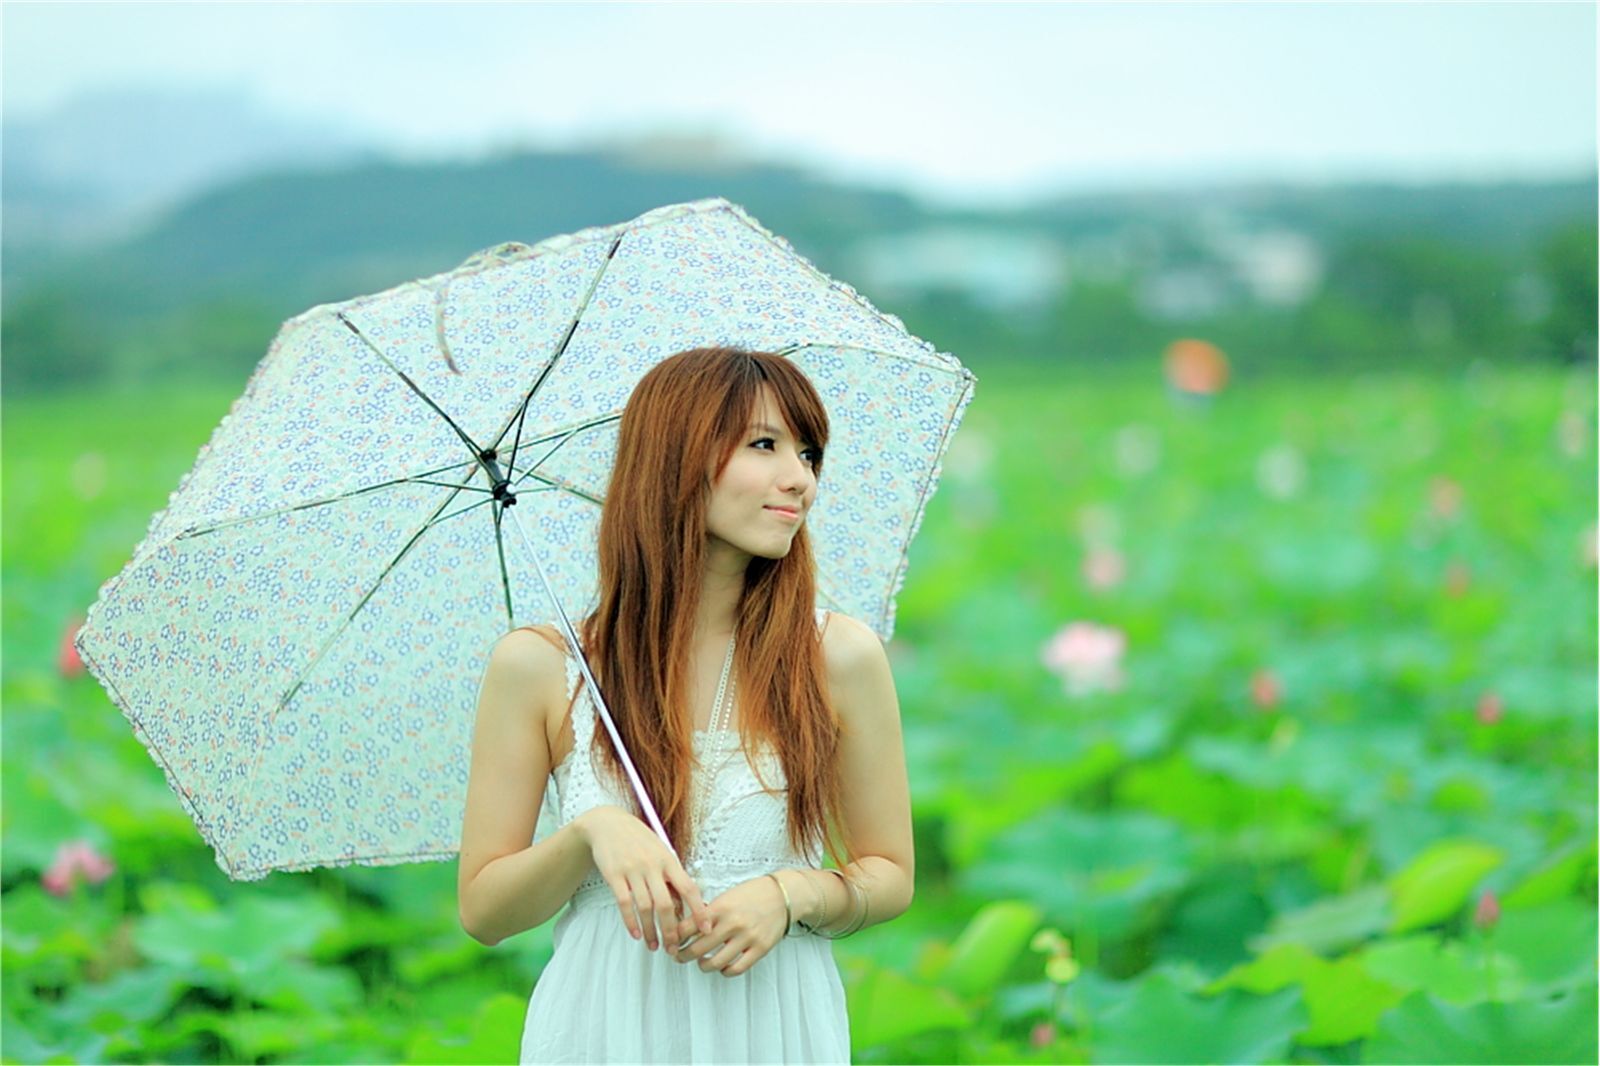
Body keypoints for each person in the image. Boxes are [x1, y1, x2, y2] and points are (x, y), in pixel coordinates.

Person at [456, 347, 915, 1064]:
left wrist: (791, 894)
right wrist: (593, 832)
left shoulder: (837, 656)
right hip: (603, 1028)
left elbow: (889, 873)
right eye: (764, 445)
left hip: (773, 1027)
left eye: (808, 451)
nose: (799, 479)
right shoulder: (544, 666)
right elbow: (484, 910)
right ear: (674, 456)